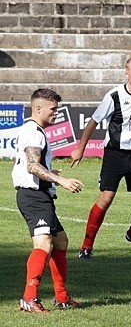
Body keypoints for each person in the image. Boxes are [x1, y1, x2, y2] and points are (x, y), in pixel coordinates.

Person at [70, 57, 131, 259]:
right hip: (115, 154)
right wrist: (80, 149)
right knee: (106, 198)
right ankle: (86, 246)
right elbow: (93, 121)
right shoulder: (113, 96)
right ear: (126, 74)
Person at [12, 89, 84, 313]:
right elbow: (31, 165)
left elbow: (35, 165)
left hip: (40, 195)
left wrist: (49, 173)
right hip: (33, 197)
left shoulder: (34, 130)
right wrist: (60, 179)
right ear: (39, 108)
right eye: (53, 109)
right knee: (43, 244)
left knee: (61, 242)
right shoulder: (34, 132)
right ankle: (29, 298)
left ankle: (62, 297)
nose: (56, 113)